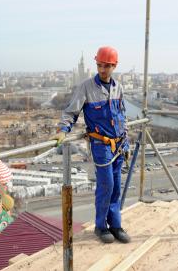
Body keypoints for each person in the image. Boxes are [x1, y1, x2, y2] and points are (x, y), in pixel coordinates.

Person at [50, 46, 131, 244]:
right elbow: (71, 112)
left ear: (114, 66)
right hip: (101, 145)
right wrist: (63, 130)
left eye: (107, 66)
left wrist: (126, 144)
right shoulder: (86, 87)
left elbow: (122, 117)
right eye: (100, 65)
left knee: (116, 187)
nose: (103, 69)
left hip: (118, 145)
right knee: (107, 185)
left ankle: (116, 225)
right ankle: (101, 226)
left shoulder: (117, 87)